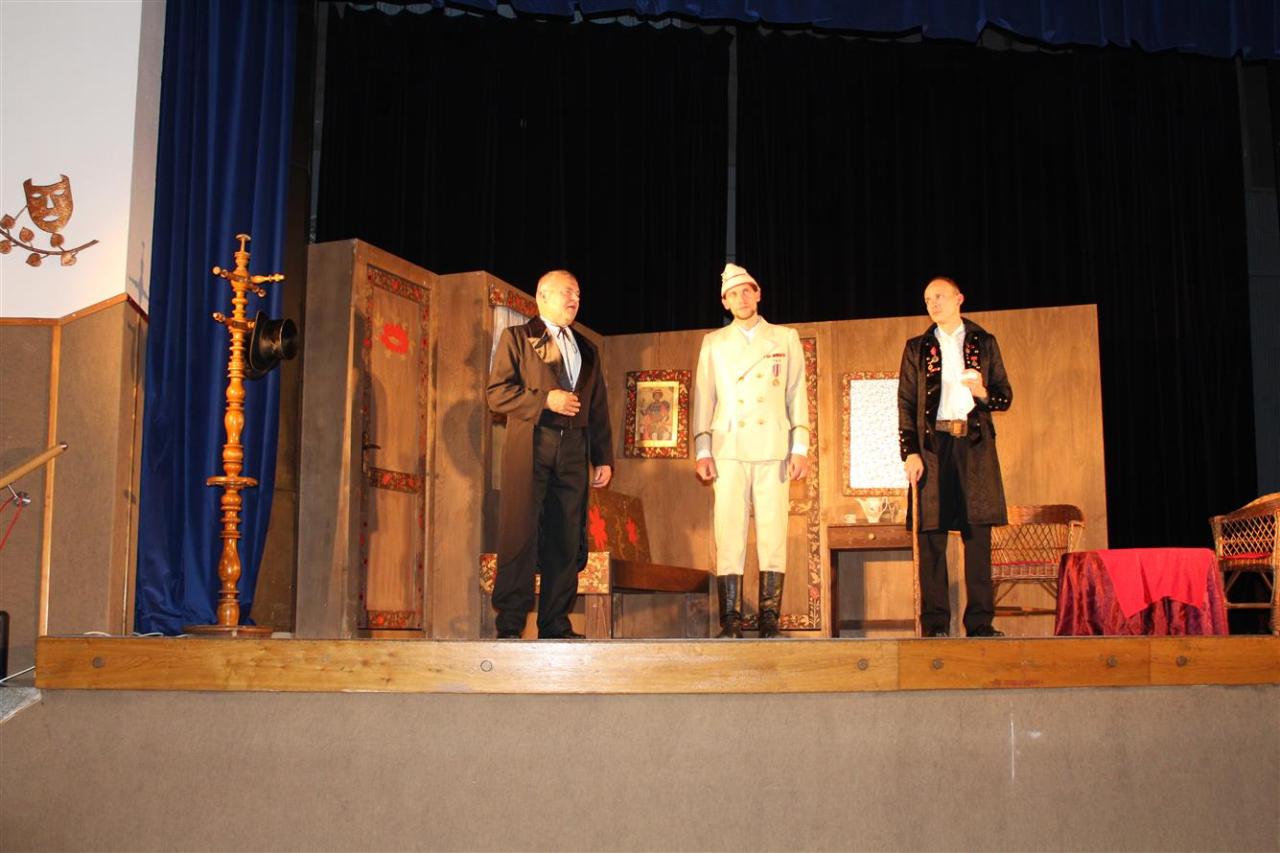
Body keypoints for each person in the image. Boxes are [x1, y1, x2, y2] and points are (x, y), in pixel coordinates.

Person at [486, 270, 613, 639]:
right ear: (542, 296)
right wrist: (545, 400)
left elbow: (598, 408)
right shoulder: (518, 338)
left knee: (566, 535)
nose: (575, 299)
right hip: (531, 443)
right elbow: (496, 394)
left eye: (578, 294)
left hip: (574, 448)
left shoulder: (587, 348)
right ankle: (510, 624)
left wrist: (603, 457)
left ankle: (555, 622)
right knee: (520, 532)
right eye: (567, 292)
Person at [692, 263, 810, 638]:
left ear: (758, 294)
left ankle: (769, 618)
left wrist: (801, 445)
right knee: (728, 530)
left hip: (773, 444)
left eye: (747, 291)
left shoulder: (785, 338)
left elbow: (797, 393)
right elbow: (704, 398)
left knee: (774, 529)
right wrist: (702, 449)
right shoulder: (713, 342)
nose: (741, 298)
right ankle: (730, 619)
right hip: (728, 445)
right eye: (733, 294)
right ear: (724, 302)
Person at [897, 276, 1012, 638]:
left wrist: (982, 391)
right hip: (933, 448)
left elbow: (1004, 397)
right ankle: (934, 624)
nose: (934, 303)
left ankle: (980, 623)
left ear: (959, 298)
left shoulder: (984, 342)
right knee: (931, 535)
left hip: (974, 445)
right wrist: (910, 452)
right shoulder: (917, 348)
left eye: (940, 296)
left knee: (977, 534)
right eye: (928, 299)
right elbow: (906, 404)